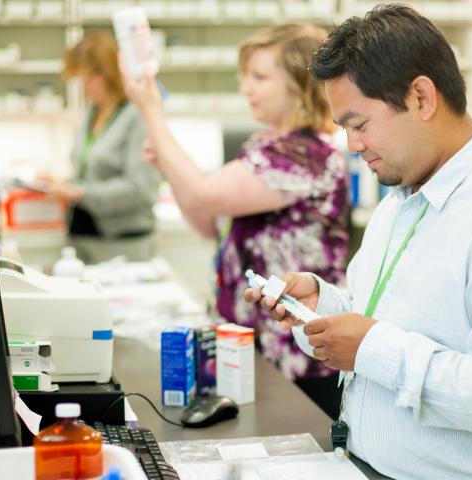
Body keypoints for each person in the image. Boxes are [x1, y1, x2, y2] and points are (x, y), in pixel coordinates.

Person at [245, 5, 472, 479]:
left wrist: (372, 349)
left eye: (359, 124)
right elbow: (387, 322)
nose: (352, 144)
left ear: (422, 98)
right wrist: (322, 307)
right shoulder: (403, 198)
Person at [121, 24, 350, 418]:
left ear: (300, 82)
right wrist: (168, 165)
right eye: (244, 76)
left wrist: (151, 113)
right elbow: (208, 222)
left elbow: (206, 193)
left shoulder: (306, 154)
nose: (246, 87)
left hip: (296, 353)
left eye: (260, 77)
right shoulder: (264, 145)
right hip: (250, 345)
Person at [40, 31, 161, 263]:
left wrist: (77, 193)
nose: (84, 89)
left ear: (107, 73)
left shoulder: (138, 116)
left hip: (123, 245)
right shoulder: (93, 113)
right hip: (82, 240)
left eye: (86, 80)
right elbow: (89, 174)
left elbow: (141, 189)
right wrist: (61, 184)